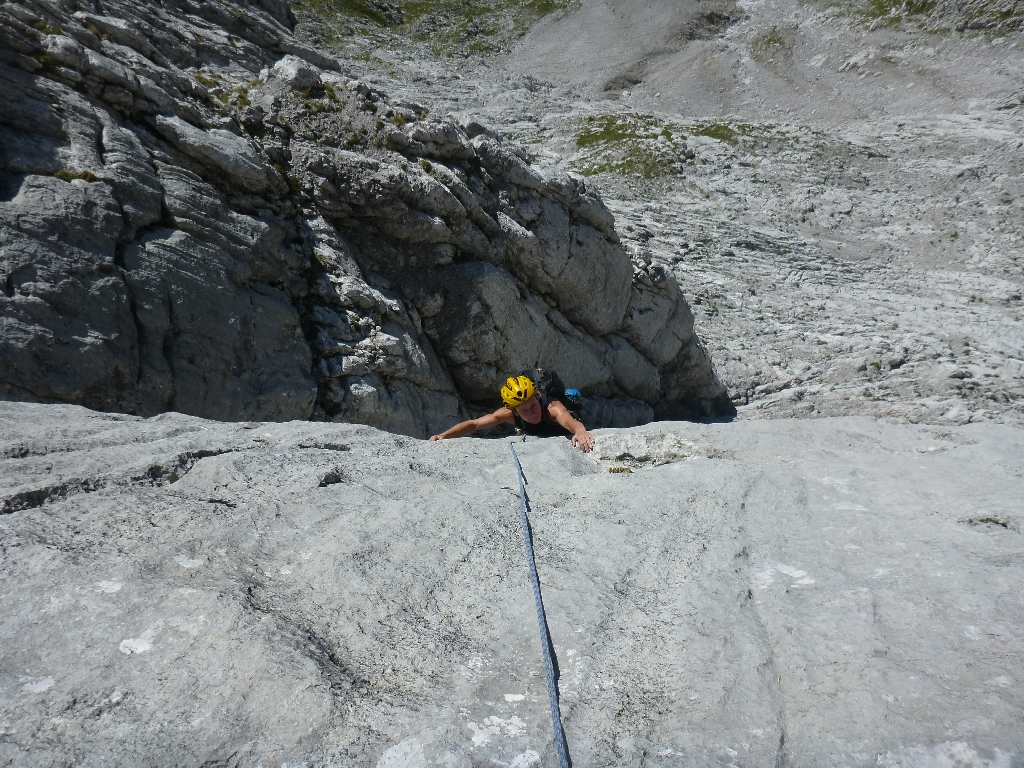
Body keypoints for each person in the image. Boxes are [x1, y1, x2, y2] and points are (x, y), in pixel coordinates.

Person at [429, 374, 596, 453]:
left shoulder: (552, 407)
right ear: (513, 411)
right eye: (524, 411)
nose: (531, 412)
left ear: (538, 397)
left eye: (533, 406)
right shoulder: (507, 414)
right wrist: (443, 436)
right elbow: (474, 424)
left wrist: (580, 432)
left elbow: (568, 420)